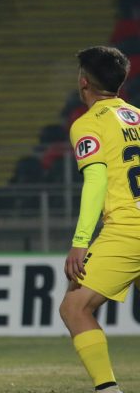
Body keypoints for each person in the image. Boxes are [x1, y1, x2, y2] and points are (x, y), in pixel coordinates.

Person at [59, 46, 139, 393]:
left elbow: (96, 180)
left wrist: (80, 242)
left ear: (83, 83)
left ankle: (108, 390)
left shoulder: (88, 124)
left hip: (127, 228)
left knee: (75, 307)